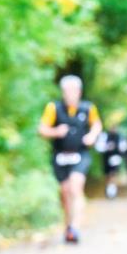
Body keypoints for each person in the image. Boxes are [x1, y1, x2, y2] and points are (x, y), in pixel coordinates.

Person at [38, 75, 102, 243]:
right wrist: (55, 131)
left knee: (76, 187)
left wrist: (92, 135)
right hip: (60, 155)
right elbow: (42, 129)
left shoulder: (88, 108)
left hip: (80, 154)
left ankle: (75, 227)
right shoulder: (53, 108)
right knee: (65, 192)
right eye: (66, 91)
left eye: (73, 91)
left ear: (79, 92)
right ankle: (68, 227)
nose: (70, 94)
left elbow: (97, 125)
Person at [96, 125, 127, 199]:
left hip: (116, 157)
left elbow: (124, 147)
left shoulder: (120, 137)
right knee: (107, 175)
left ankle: (113, 191)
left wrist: (117, 148)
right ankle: (109, 190)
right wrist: (107, 147)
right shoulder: (104, 136)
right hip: (106, 158)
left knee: (114, 174)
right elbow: (99, 147)